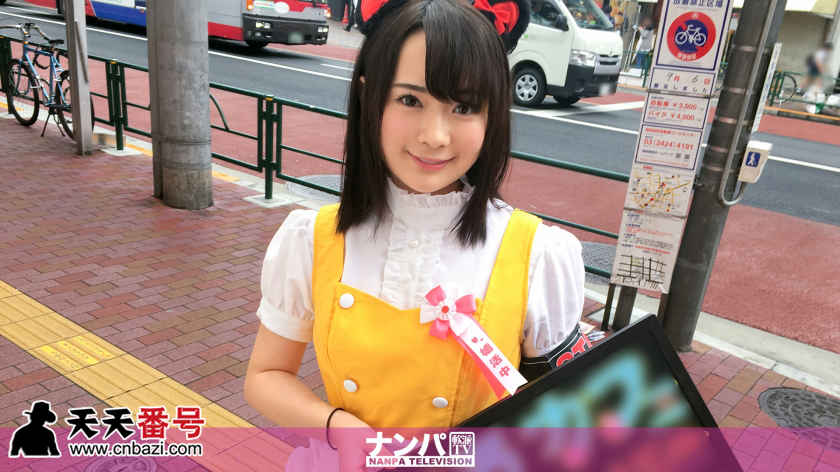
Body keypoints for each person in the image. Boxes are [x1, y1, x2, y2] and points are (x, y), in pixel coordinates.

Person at [245, 0, 586, 462]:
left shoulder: (537, 253)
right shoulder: (313, 238)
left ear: (493, 115)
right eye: (410, 100)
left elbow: (564, 418)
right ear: (369, 97)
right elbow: (266, 376)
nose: (435, 136)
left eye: (464, 106)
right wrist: (337, 427)